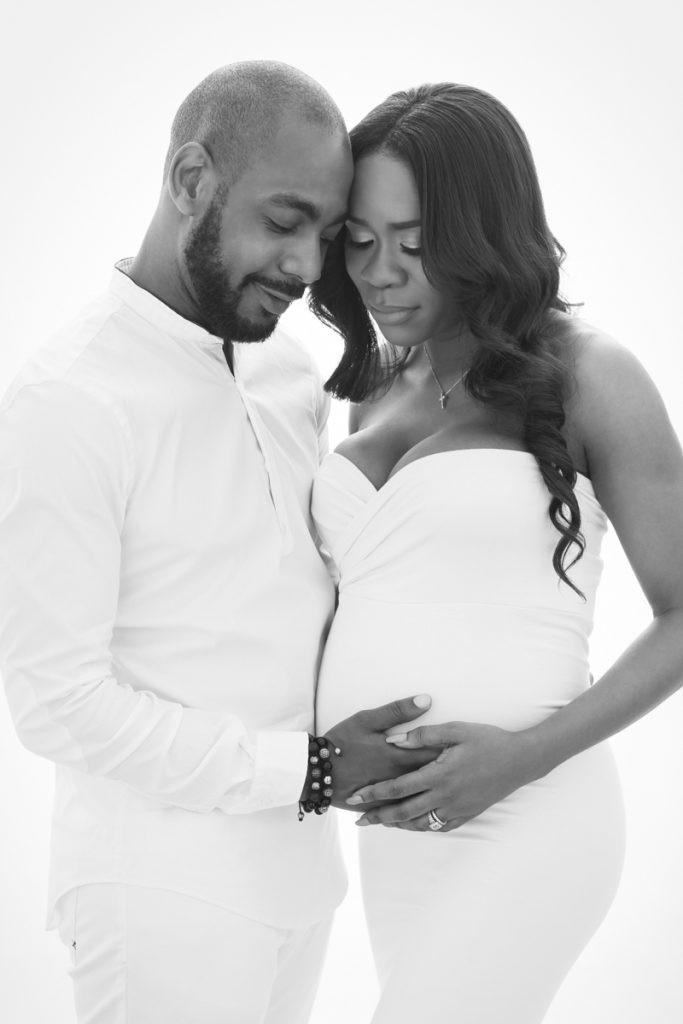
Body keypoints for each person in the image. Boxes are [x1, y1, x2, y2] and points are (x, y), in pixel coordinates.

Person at [0, 62, 436, 1024]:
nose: (307, 267)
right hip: (157, 892)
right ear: (191, 179)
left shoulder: (286, 370)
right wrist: (312, 770)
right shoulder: (70, 399)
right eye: (283, 222)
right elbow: (55, 702)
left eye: (327, 235)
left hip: (301, 882)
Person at [309, 82, 683, 1023]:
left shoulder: (592, 374)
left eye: (415, 238)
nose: (380, 271)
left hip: (533, 813)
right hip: (398, 833)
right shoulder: (370, 393)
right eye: (359, 238)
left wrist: (521, 757)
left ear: (483, 232)